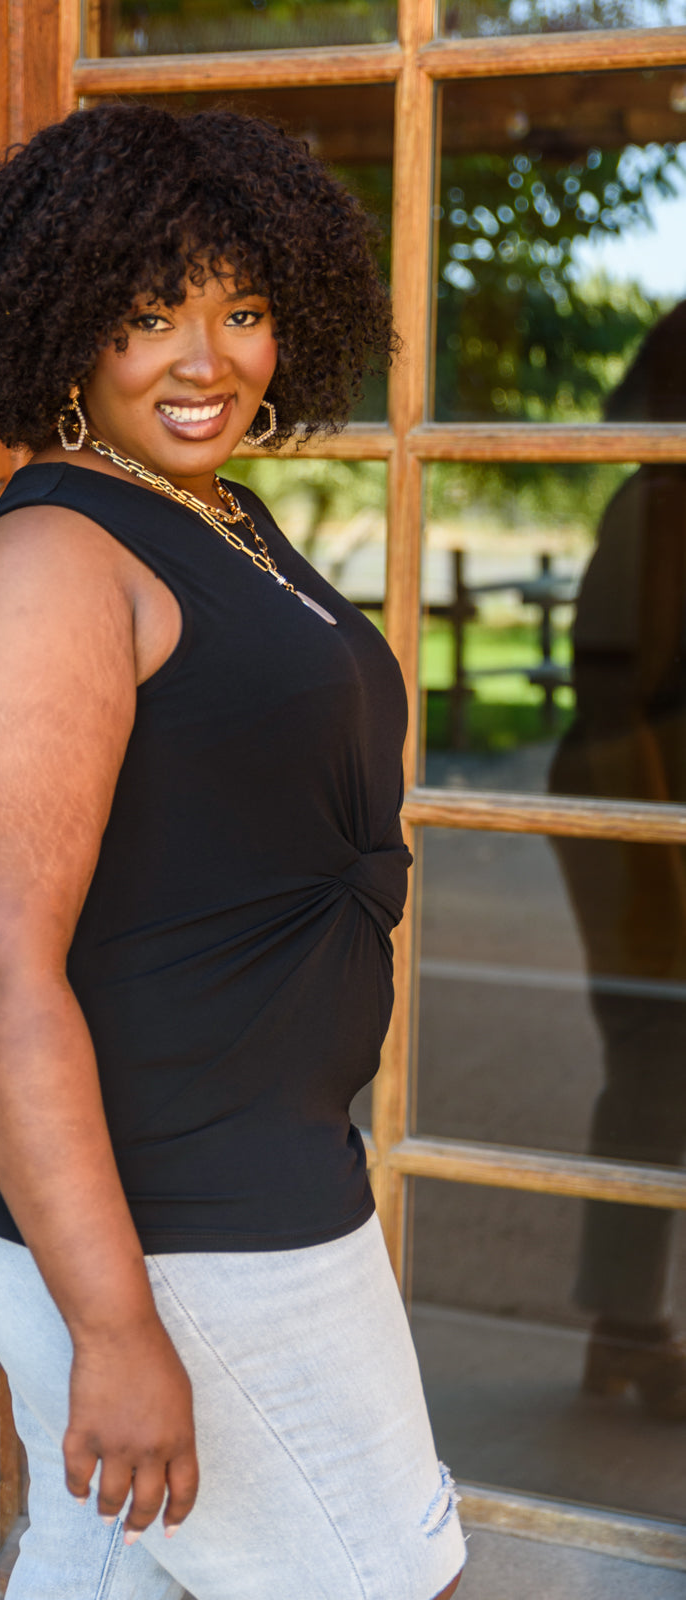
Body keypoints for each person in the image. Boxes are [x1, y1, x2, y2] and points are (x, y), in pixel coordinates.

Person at [0, 103, 466, 1600]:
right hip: (155, 1189)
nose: (208, 362)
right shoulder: (48, 564)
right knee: (394, 1578)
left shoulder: (217, 512)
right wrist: (115, 1328)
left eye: (244, 310)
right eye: (149, 318)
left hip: (240, 1136)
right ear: (67, 329)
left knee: (112, 1562)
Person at [550, 300, 686, 1421]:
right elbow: (613, 711)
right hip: (632, 811)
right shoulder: (657, 509)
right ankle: (627, 1332)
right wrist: (665, 870)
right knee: (657, 1054)